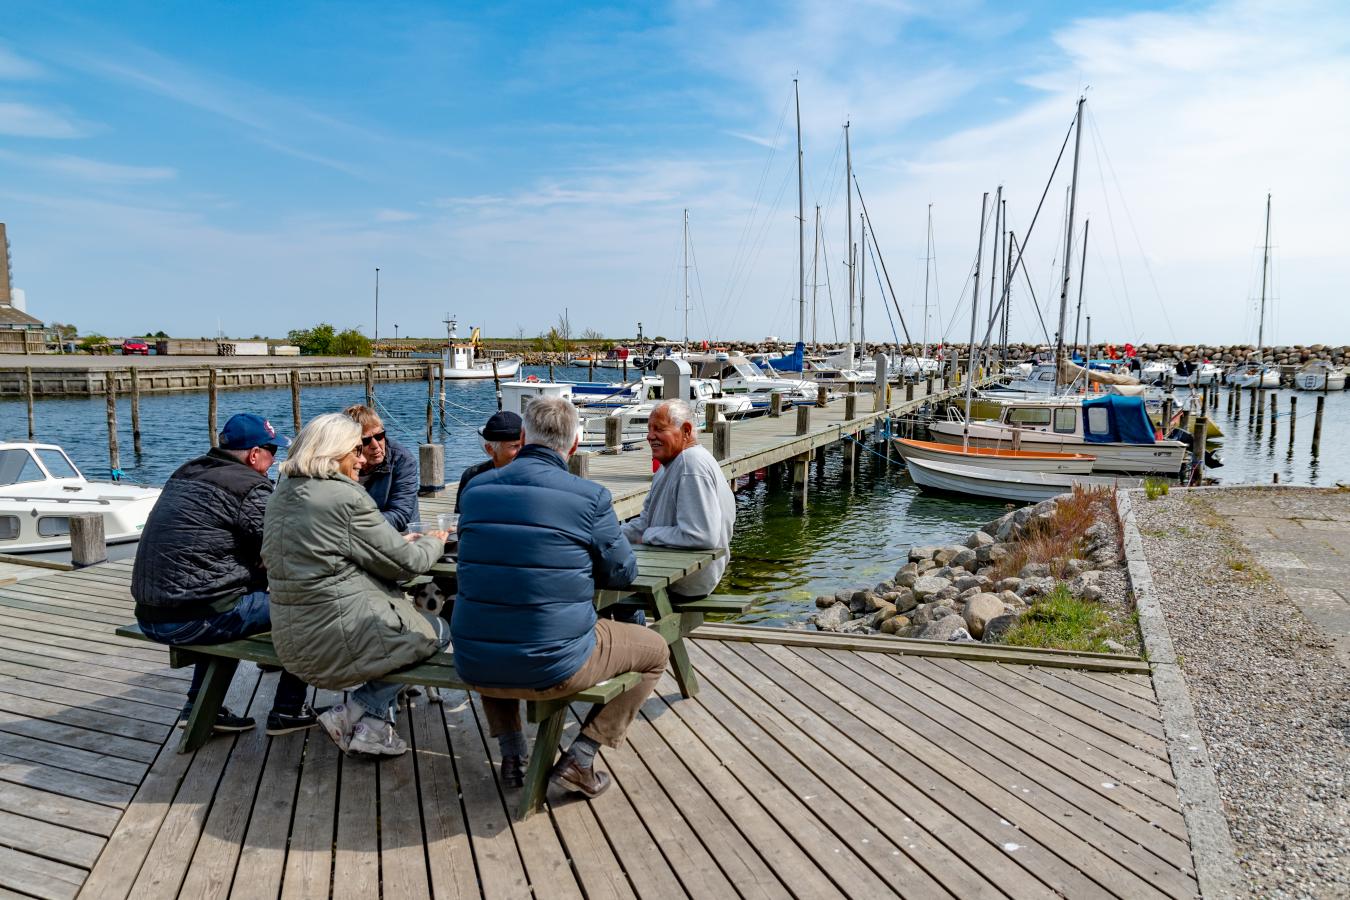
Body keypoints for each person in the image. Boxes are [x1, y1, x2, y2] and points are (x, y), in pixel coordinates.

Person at [453, 396, 666, 796]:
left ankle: (513, 754)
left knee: (496, 624)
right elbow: (622, 573)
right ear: (574, 445)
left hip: (474, 660)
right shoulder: (591, 497)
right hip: (554, 664)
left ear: (522, 436)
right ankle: (581, 758)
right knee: (656, 650)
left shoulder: (476, 490)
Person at [262, 413, 450, 758]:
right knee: (435, 630)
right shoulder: (343, 497)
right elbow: (407, 564)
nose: (362, 459)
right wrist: (434, 541)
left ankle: (368, 725)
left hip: (291, 640)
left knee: (402, 624)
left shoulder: (283, 492)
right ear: (334, 454)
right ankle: (360, 715)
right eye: (355, 451)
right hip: (333, 644)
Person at [132, 413, 316, 736]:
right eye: (272, 450)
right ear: (254, 454)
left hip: (150, 612)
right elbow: (287, 550)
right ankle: (288, 709)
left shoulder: (188, 471)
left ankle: (201, 707)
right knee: (307, 609)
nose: (276, 459)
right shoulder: (250, 486)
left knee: (225, 593)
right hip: (191, 616)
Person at [622, 400, 736, 600]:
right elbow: (645, 522)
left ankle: (620, 629)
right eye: (649, 429)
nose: (650, 437)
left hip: (685, 582)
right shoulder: (671, 465)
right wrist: (607, 535)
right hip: (678, 571)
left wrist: (649, 535)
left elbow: (701, 536)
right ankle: (631, 627)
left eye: (659, 429)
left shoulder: (690, 464)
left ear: (686, 430)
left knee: (594, 579)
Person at [342, 405, 419, 531]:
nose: (375, 445)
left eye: (379, 436)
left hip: (400, 537)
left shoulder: (402, 459)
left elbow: (401, 515)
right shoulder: (341, 462)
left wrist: (357, 525)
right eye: (366, 441)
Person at [453, 410, 524, 512]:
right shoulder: (472, 477)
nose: (522, 451)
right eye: (515, 446)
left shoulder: (535, 477)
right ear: (490, 449)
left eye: (524, 445)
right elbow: (460, 517)